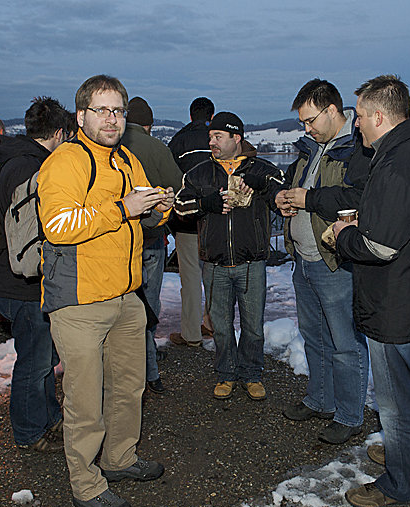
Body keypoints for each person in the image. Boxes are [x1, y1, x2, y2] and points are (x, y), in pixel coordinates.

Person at [37, 75, 173, 507]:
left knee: (129, 387)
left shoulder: (127, 158)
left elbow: (142, 218)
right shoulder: (65, 161)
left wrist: (158, 206)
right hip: (79, 302)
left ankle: (119, 458)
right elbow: (58, 226)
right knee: (85, 399)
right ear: (81, 116)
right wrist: (123, 208)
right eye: (103, 110)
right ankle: (86, 482)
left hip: (125, 297)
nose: (113, 119)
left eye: (119, 111)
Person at [330, 75, 410, 507]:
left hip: (394, 302)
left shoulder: (397, 165)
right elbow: (408, 226)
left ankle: (399, 482)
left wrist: (343, 234)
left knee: (395, 401)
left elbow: (380, 247)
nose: (356, 124)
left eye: (360, 115)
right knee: (408, 385)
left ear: (379, 116)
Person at [272, 79, 370, 445]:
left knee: (344, 342)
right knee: (314, 336)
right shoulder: (310, 148)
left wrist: (308, 197)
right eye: (303, 123)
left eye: (311, 120)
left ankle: (349, 415)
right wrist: (283, 198)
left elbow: (356, 197)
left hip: (335, 261)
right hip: (304, 259)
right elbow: (296, 189)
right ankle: (321, 399)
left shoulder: (357, 148)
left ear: (332, 110)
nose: (306, 128)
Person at [174, 112, 286, 401]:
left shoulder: (263, 168)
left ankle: (251, 374)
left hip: (251, 263)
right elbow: (180, 206)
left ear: (237, 138)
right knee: (221, 328)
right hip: (215, 264)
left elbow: (283, 196)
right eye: (210, 136)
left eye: (218, 136)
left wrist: (260, 183)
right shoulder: (199, 173)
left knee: (253, 328)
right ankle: (226, 374)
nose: (211, 141)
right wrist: (205, 203)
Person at [0, 98, 71, 452]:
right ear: (58, 133)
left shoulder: (11, 161)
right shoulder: (32, 169)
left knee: (43, 359)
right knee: (34, 363)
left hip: (11, 279)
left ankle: (47, 415)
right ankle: (28, 432)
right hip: (25, 285)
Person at [120, 96, 183, 394]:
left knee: (120, 305)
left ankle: (126, 370)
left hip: (118, 241)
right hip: (151, 239)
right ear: (148, 124)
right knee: (149, 305)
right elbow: (177, 186)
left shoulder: (111, 147)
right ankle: (150, 371)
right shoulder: (157, 148)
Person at [167, 97, 215, 347]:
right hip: (216, 219)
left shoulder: (178, 141)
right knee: (215, 276)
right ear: (212, 115)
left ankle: (191, 334)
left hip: (186, 220)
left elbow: (170, 179)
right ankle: (212, 324)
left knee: (190, 278)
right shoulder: (219, 139)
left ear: (190, 115)